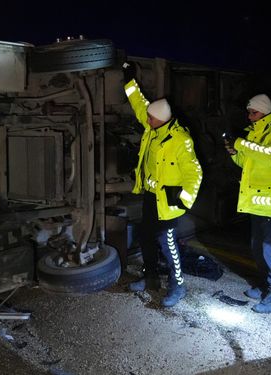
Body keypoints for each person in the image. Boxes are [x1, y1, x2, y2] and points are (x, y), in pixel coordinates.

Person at [122, 61, 203, 307]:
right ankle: (151, 280)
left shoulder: (180, 140)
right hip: (151, 196)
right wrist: (129, 80)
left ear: (161, 119)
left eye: (150, 117)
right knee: (146, 238)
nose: (145, 118)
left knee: (167, 243)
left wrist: (183, 200)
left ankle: (178, 286)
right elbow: (139, 104)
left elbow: (194, 172)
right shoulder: (154, 127)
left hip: (168, 201)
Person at [224, 94, 271, 313]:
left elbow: (269, 156)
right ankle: (265, 285)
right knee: (257, 247)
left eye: (253, 112)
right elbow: (247, 163)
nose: (249, 116)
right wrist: (235, 153)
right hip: (256, 201)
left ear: (264, 111)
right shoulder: (255, 133)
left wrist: (240, 143)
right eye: (249, 112)